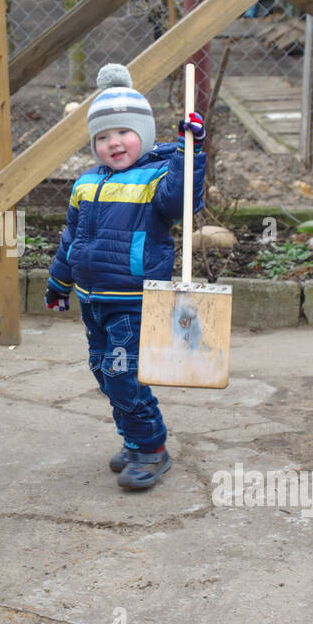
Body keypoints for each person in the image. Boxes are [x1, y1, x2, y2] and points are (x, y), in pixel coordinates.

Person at [43, 63, 207, 490]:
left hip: (134, 301)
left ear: (145, 134)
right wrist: (58, 282)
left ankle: (151, 448)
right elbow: (71, 238)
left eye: (123, 132)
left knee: (122, 374)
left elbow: (181, 202)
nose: (113, 142)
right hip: (91, 299)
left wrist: (191, 152)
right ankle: (134, 440)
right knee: (103, 371)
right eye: (102, 136)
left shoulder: (159, 176)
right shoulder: (85, 184)